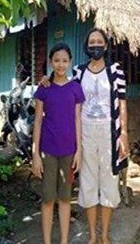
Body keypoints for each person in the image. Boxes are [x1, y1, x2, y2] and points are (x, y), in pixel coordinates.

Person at [41, 28, 129, 244]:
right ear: (86, 47)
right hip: (85, 133)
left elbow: (123, 103)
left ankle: (105, 235)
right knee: (88, 182)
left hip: (110, 133)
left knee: (109, 181)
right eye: (92, 42)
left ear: (106, 46)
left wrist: (124, 133)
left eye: (100, 41)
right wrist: (45, 79)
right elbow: (62, 85)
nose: (96, 45)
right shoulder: (79, 72)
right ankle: (91, 235)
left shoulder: (116, 71)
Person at [32, 42, 85, 244]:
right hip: (48, 151)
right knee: (47, 199)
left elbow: (77, 120)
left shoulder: (75, 89)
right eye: (56, 60)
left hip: (69, 152)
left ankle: (63, 241)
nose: (60, 65)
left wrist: (79, 151)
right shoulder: (44, 88)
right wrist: (35, 154)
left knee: (64, 199)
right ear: (50, 62)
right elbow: (37, 121)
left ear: (70, 62)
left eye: (64, 61)